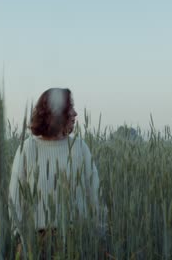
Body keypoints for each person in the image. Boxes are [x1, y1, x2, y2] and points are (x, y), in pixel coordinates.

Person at [8, 88, 108, 258]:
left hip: (76, 242)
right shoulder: (27, 149)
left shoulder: (80, 147)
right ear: (55, 112)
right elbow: (14, 201)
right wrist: (20, 241)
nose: (75, 113)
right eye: (70, 108)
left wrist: (100, 237)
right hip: (36, 245)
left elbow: (95, 195)